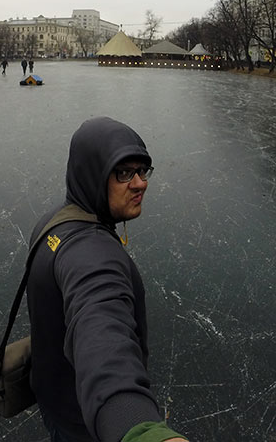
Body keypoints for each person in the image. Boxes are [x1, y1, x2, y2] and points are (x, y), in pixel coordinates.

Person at [27, 117, 188, 442]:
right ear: (93, 175)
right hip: (83, 423)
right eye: (124, 172)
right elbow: (101, 332)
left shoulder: (55, 221)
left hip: (54, 398)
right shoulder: (91, 252)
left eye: (143, 170)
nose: (140, 183)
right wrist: (140, 430)